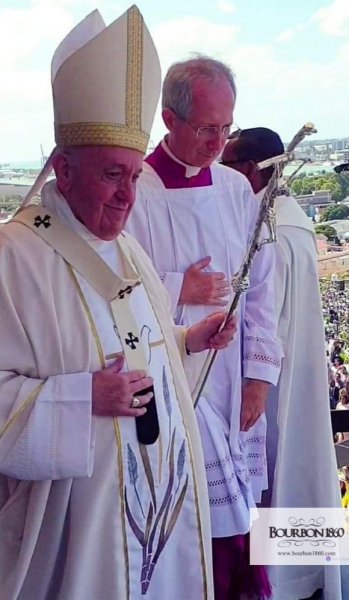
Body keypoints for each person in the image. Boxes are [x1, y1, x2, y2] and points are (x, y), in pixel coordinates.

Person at [0, 10, 238, 600]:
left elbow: (136, 348)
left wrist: (187, 340)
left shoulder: (125, 246)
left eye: (135, 175)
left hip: (162, 504)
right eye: (112, 174)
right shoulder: (14, 256)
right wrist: (82, 399)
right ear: (63, 167)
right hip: (77, 530)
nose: (128, 196)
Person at [126, 55, 282, 600]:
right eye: (207, 129)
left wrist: (259, 375)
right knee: (191, 526)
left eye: (226, 128)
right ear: (170, 119)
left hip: (232, 377)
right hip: (173, 383)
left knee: (241, 523)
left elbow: (261, 285)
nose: (218, 142)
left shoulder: (236, 191)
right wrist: (176, 289)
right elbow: (113, 285)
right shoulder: (136, 189)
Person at [221, 127, 342, 600]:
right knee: (298, 465)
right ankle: (296, 576)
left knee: (279, 470)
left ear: (250, 170)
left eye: (227, 164)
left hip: (270, 383)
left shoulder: (271, 229)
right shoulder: (287, 221)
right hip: (290, 376)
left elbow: (266, 319)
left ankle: (282, 582)